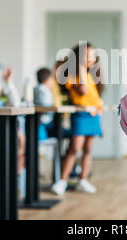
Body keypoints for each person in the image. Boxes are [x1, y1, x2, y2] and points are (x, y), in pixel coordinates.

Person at [51, 42, 103, 195]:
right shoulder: (72, 77)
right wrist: (79, 67)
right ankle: (62, 181)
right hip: (80, 116)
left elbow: (94, 97)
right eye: (88, 56)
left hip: (93, 115)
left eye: (93, 56)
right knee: (75, 148)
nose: (91, 59)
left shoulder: (90, 76)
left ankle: (83, 179)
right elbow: (82, 91)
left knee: (88, 149)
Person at [34, 67, 55, 140]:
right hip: (43, 123)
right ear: (48, 80)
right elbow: (44, 108)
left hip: (42, 122)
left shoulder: (37, 88)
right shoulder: (44, 90)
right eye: (52, 79)